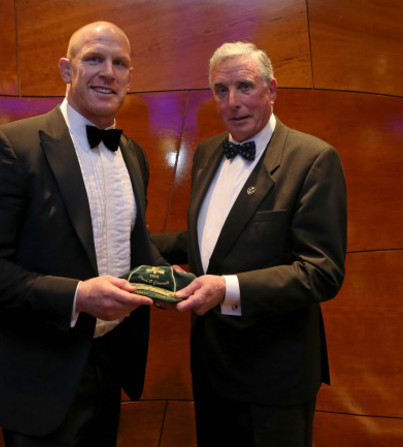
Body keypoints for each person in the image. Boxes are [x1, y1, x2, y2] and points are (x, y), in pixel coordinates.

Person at [0, 21, 165, 447]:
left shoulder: (134, 154)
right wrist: (77, 296)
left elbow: (134, 246)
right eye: (94, 59)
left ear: (130, 78)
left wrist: (181, 284)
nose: (108, 72)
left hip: (110, 367)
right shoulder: (13, 145)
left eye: (119, 63)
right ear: (67, 70)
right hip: (36, 378)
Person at [152, 42, 347, 446]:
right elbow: (211, 241)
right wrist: (136, 244)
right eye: (221, 90)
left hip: (275, 377)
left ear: (272, 89)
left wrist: (226, 288)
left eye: (245, 86)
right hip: (210, 369)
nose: (233, 102)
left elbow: (321, 272)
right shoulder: (206, 152)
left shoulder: (313, 159)